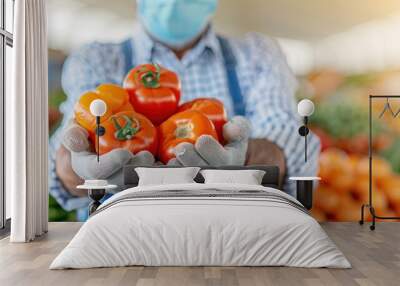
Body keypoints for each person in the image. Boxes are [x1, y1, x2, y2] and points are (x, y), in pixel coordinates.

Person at [49, 0, 320, 220]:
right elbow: (66, 153)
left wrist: (243, 153)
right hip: (122, 232)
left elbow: (288, 137)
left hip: (234, 233)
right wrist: (77, 164)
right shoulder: (96, 59)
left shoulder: (257, 54)